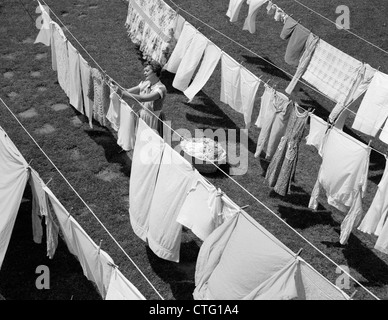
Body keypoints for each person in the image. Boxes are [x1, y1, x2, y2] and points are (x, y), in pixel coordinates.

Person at [116, 60, 167, 137]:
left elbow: (142, 98)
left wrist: (123, 93)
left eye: (147, 71)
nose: (144, 73)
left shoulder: (161, 89)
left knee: (151, 141)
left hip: (153, 119)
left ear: (155, 72)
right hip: (143, 115)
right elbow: (127, 91)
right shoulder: (145, 83)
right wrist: (114, 86)